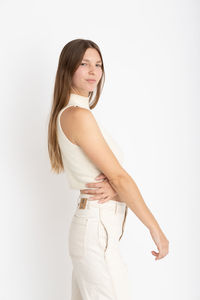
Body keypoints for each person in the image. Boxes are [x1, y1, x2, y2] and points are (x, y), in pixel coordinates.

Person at [48, 38, 169, 300]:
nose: (94, 71)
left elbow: (115, 182)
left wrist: (115, 190)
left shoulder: (77, 112)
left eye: (98, 65)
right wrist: (155, 229)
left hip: (98, 228)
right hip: (95, 228)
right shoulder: (78, 115)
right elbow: (119, 177)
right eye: (84, 64)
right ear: (68, 68)